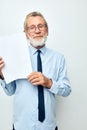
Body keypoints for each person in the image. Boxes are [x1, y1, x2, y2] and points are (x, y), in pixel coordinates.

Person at [0, 11, 71, 130]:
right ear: (26, 34)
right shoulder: (15, 56)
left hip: (48, 126)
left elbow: (67, 90)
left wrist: (48, 82)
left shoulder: (59, 58)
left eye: (40, 26)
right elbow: (10, 91)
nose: (37, 31)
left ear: (47, 30)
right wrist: (2, 76)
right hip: (21, 126)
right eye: (32, 28)